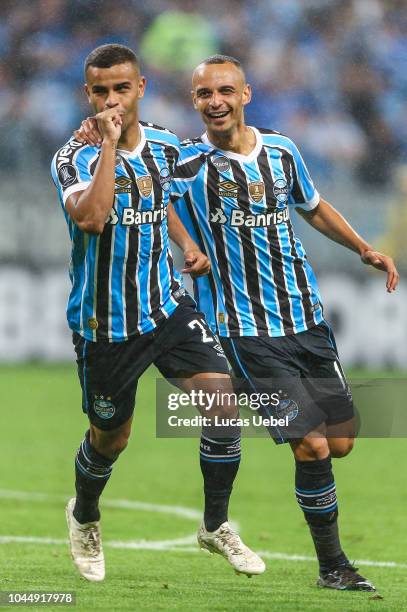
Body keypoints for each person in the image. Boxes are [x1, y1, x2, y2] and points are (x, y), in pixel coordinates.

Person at [75, 53, 400, 592]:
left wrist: (364, 248)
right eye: (204, 95)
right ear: (194, 103)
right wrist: (187, 241)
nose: (216, 102)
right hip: (244, 331)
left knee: (340, 441)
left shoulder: (283, 151)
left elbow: (313, 206)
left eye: (225, 91)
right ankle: (333, 567)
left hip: (306, 320)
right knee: (311, 446)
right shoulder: (186, 161)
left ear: (245, 94)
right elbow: (143, 177)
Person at [51, 45, 265, 583]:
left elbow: (161, 191)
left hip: (165, 307)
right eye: (100, 91)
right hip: (105, 323)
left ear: (140, 88)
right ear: (88, 95)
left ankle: (215, 525)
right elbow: (95, 218)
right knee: (111, 438)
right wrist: (106, 146)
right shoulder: (72, 157)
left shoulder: (166, 145)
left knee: (221, 401)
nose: (111, 100)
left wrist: (185, 240)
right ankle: (84, 513)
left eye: (121, 89)